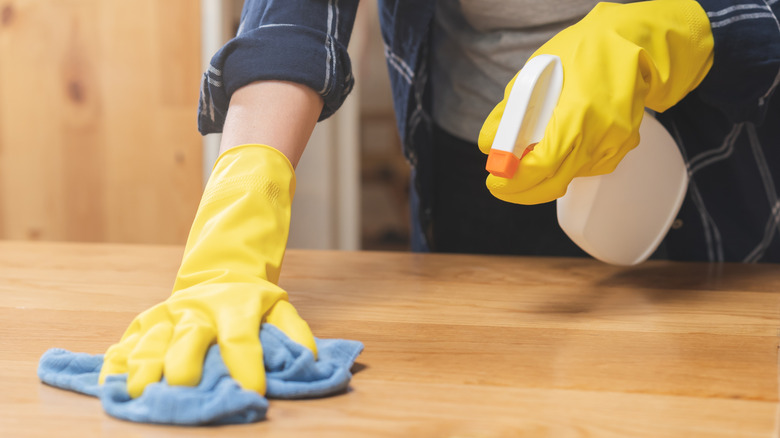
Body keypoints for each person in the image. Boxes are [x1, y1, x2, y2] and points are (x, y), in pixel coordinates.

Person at [99, 0, 780, 399]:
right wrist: (237, 215)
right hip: (472, 171)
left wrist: (680, 32)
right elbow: (292, 18)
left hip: (707, 172)